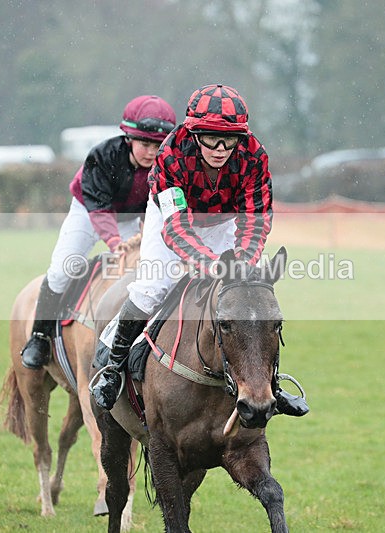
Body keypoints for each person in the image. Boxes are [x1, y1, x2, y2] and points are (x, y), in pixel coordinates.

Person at [91, 84, 309, 417]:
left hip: (223, 221)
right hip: (172, 219)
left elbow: (255, 219)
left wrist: (242, 265)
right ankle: (113, 369)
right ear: (193, 134)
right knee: (152, 287)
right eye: (211, 138)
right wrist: (209, 265)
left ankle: (271, 387)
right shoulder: (171, 154)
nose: (221, 149)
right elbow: (176, 227)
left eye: (230, 139)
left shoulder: (253, 156)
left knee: (254, 295)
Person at [20, 95, 177, 370]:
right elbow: (99, 209)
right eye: (145, 144)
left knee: (147, 274)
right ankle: (40, 337)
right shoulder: (103, 156)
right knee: (61, 270)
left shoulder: (168, 164)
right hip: (89, 209)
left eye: (158, 145)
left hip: (133, 215)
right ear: (129, 138)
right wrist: (115, 241)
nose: (152, 152)